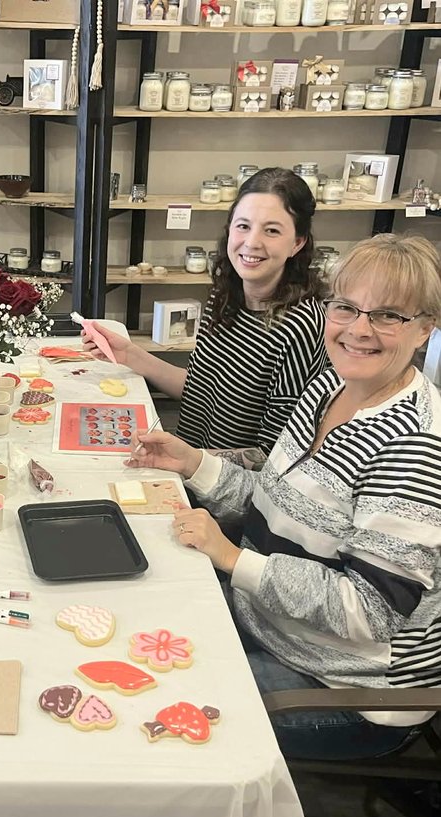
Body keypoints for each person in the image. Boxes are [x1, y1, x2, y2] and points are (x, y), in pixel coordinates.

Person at [129, 233, 441, 760]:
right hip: (265, 621)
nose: (359, 330)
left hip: (343, 688)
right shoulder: (329, 389)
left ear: (425, 329)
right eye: (345, 307)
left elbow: (370, 610)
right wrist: (195, 464)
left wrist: (233, 559)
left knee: (151, 718)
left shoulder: (414, 444)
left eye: (389, 315)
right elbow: (278, 502)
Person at [83, 167, 328, 462]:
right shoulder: (226, 297)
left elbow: (276, 456)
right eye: (243, 226)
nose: (252, 242)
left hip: (233, 495)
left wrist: (191, 460)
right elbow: (203, 387)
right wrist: (130, 355)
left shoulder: (302, 326)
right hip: (191, 473)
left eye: (272, 230)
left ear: (297, 243)